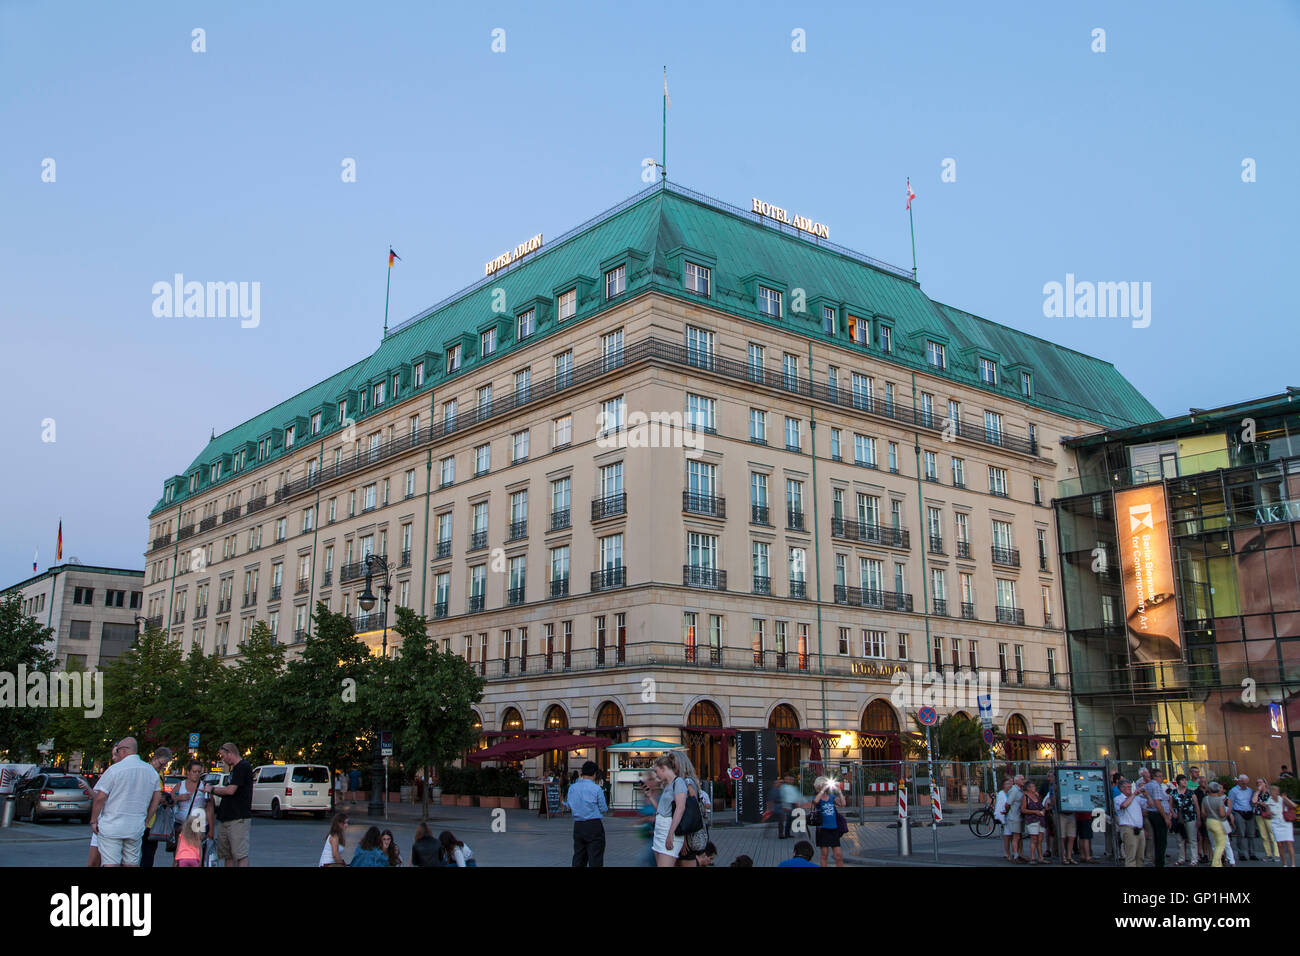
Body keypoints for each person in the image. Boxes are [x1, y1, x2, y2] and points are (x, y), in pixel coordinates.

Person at [90, 737, 167, 868]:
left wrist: (93, 820)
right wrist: (147, 819)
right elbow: (156, 798)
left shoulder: (115, 770)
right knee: (131, 862)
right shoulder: (150, 772)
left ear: (124, 751)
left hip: (112, 825)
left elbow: (100, 797)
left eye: (118, 751)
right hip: (136, 826)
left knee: (110, 862)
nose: (117, 754)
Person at [210, 741, 254, 867]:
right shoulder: (234, 769)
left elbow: (230, 790)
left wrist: (212, 789)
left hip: (238, 817)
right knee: (227, 854)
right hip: (226, 817)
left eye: (223, 756)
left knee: (239, 854)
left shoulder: (243, 767)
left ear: (230, 753)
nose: (223, 759)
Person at [172, 758, 215, 868]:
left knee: (198, 855)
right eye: (194, 771)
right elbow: (170, 803)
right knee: (180, 855)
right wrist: (178, 798)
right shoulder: (180, 785)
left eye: (198, 772)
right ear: (188, 772)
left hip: (199, 827)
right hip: (181, 825)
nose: (196, 774)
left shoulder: (204, 787)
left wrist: (211, 830)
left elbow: (210, 808)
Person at [565, 760, 608, 867]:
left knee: (579, 857)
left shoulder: (572, 788)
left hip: (578, 826)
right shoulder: (597, 789)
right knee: (595, 858)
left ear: (582, 773)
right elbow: (604, 808)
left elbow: (569, 805)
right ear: (594, 774)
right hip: (594, 825)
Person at [651, 752, 689, 867]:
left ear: (663, 768)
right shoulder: (668, 784)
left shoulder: (679, 782)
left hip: (668, 830)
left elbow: (680, 808)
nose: (656, 775)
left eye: (656, 771)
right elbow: (662, 810)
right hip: (660, 831)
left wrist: (670, 834)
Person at [139, 746, 173, 868]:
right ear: (154, 759)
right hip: (143, 819)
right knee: (138, 854)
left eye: (165, 765)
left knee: (149, 854)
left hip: (152, 821)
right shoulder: (146, 772)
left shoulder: (158, 774)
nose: (163, 767)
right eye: (161, 764)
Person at [808, 776, 846, 867]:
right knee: (824, 855)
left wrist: (839, 791)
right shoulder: (817, 797)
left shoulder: (831, 797)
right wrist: (823, 789)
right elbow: (815, 801)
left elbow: (843, 804)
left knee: (838, 856)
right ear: (819, 785)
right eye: (824, 783)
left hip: (834, 829)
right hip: (823, 829)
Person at [1141, 769, 1173, 867]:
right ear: (1154, 777)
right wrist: (1165, 817)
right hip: (1158, 814)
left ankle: (1157, 860)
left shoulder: (1148, 785)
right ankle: (1160, 862)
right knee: (1161, 840)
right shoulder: (1155, 786)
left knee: (1156, 838)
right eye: (1159, 776)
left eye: (1161, 776)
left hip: (1152, 813)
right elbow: (1157, 802)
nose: (1161, 778)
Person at [1115, 779, 1148, 867]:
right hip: (1128, 829)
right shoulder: (1118, 799)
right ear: (1122, 788)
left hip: (1139, 829)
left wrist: (1147, 795)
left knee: (1140, 856)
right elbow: (1124, 805)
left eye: (1130, 787)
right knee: (1131, 856)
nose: (1130, 789)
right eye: (1128, 787)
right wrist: (1134, 794)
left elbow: (1150, 805)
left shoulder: (1137, 798)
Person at [1227, 773, 1259, 861]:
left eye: (1246, 783)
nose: (1244, 785)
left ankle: (1252, 853)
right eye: (1242, 783)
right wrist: (1232, 814)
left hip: (1249, 812)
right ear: (1239, 782)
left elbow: (1253, 801)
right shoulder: (1233, 791)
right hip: (1239, 812)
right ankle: (1241, 853)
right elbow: (1230, 803)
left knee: (1251, 834)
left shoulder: (1250, 790)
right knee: (1241, 833)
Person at [1264, 783, 1295, 867]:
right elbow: (1268, 815)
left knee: (1289, 843)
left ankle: (1293, 864)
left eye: (1274, 791)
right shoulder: (1268, 802)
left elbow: (1294, 806)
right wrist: (1268, 814)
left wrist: (1286, 798)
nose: (1272, 792)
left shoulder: (1282, 799)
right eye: (1271, 791)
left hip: (1286, 823)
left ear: (1278, 792)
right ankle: (1284, 864)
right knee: (1280, 844)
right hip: (1276, 823)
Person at [1170, 775, 1198, 866]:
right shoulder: (1173, 792)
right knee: (1180, 840)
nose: (1185, 782)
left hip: (1190, 817)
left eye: (1185, 780)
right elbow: (1170, 805)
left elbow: (1196, 805)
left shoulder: (1191, 792)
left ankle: (1194, 859)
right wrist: (1173, 814)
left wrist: (1199, 817)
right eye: (1182, 780)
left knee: (1192, 839)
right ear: (1178, 782)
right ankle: (1181, 858)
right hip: (1179, 818)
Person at [1203, 781, 1231, 867]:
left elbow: (1203, 813)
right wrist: (1226, 814)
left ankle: (1218, 863)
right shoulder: (1219, 800)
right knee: (1221, 844)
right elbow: (1222, 814)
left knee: (1214, 843)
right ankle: (1215, 863)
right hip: (1217, 822)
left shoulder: (1205, 799)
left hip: (1209, 821)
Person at [1005, 774, 1026, 862]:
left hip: (1019, 816)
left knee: (1019, 836)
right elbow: (1008, 804)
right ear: (1016, 781)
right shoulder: (1014, 790)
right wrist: (1008, 812)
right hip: (1014, 816)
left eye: (1023, 779)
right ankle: (1016, 855)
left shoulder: (1020, 790)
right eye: (1021, 779)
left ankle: (1020, 854)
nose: (1023, 781)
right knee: (1016, 837)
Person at [1023, 782, 1046, 863]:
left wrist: (1043, 810)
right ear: (1028, 788)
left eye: (1034, 786)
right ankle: (1032, 857)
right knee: (1034, 839)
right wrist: (1034, 812)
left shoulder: (1036, 795)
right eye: (1032, 786)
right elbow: (1023, 809)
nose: (1034, 788)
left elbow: (1041, 806)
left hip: (1040, 819)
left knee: (1040, 839)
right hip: (1032, 820)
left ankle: (1041, 857)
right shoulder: (1025, 797)